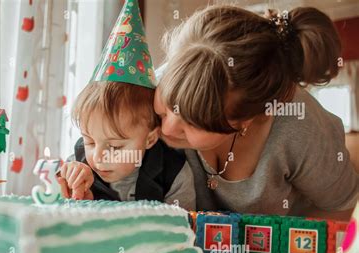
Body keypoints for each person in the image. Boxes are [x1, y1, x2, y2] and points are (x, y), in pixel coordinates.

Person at [154, 6, 358, 220]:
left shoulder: (303, 126)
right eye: (167, 103)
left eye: (194, 122)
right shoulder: (144, 89)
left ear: (244, 121)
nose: (166, 127)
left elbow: (344, 208)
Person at [57, 0, 196, 211]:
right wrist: (71, 187)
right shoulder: (79, 163)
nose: (98, 156)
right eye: (90, 141)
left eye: (115, 147)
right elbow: (56, 211)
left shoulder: (174, 173)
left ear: (150, 138)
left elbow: (182, 229)